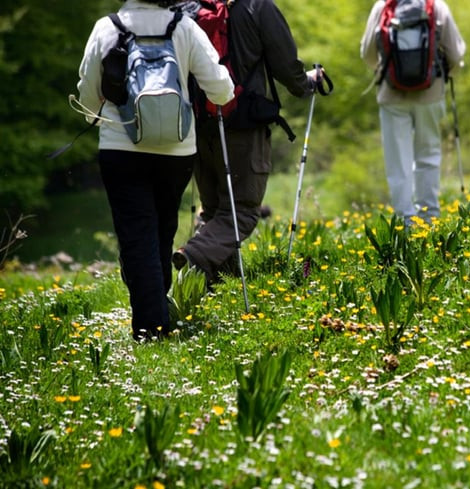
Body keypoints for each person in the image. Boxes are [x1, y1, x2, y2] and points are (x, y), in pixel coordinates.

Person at [76, 0, 235, 341]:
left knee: (137, 234)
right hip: (177, 149)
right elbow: (221, 89)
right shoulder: (184, 27)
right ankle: (157, 311)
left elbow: (88, 94)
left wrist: (93, 116)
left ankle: (152, 327)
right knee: (162, 230)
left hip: (121, 148)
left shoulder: (108, 27)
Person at [171, 0, 323, 283]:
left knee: (216, 208)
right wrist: (308, 83)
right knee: (242, 211)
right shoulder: (257, 7)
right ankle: (194, 254)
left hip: (198, 123)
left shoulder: (188, 7)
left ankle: (219, 281)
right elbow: (286, 66)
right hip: (242, 122)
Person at [360, 0, 466, 226]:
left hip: (392, 94)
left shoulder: (382, 7)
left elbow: (367, 52)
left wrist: (387, 70)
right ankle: (429, 218)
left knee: (398, 161)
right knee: (428, 155)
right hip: (430, 92)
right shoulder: (437, 6)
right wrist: (444, 74)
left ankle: (405, 221)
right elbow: (456, 54)